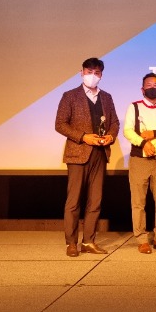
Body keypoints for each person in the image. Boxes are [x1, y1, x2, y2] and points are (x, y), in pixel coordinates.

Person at [55, 57, 120, 257]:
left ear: (101, 75)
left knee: (95, 200)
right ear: (81, 72)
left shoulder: (106, 97)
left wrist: (110, 136)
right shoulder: (70, 96)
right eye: (89, 71)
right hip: (77, 154)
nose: (92, 75)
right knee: (74, 201)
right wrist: (84, 137)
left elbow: (114, 123)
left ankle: (89, 241)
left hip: (100, 153)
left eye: (97, 72)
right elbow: (60, 124)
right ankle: (71, 243)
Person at [123, 72, 156, 254]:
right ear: (142, 89)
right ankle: (141, 239)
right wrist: (143, 143)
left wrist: (154, 133)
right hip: (139, 159)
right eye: (149, 85)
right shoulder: (134, 107)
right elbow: (128, 131)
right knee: (138, 202)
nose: (152, 88)